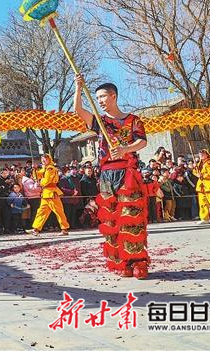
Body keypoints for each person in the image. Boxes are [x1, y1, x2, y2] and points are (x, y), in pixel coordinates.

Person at [74, 76, 149, 279]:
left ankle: (137, 262)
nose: (99, 100)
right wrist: (78, 88)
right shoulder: (100, 122)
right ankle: (121, 261)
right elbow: (79, 111)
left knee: (131, 218)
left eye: (103, 96)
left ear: (113, 96)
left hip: (127, 172)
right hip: (107, 174)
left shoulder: (133, 120)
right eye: (97, 97)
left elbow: (142, 142)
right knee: (112, 218)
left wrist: (125, 149)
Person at [27, 154, 69, 236]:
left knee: (59, 211)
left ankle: (64, 229)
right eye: (42, 159)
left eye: (45, 159)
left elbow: (46, 181)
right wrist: (34, 169)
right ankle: (36, 229)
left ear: (49, 160)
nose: (43, 161)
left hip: (52, 193)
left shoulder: (50, 168)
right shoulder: (45, 168)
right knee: (41, 212)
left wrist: (39, 181)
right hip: (46, 193)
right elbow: (37, 175)